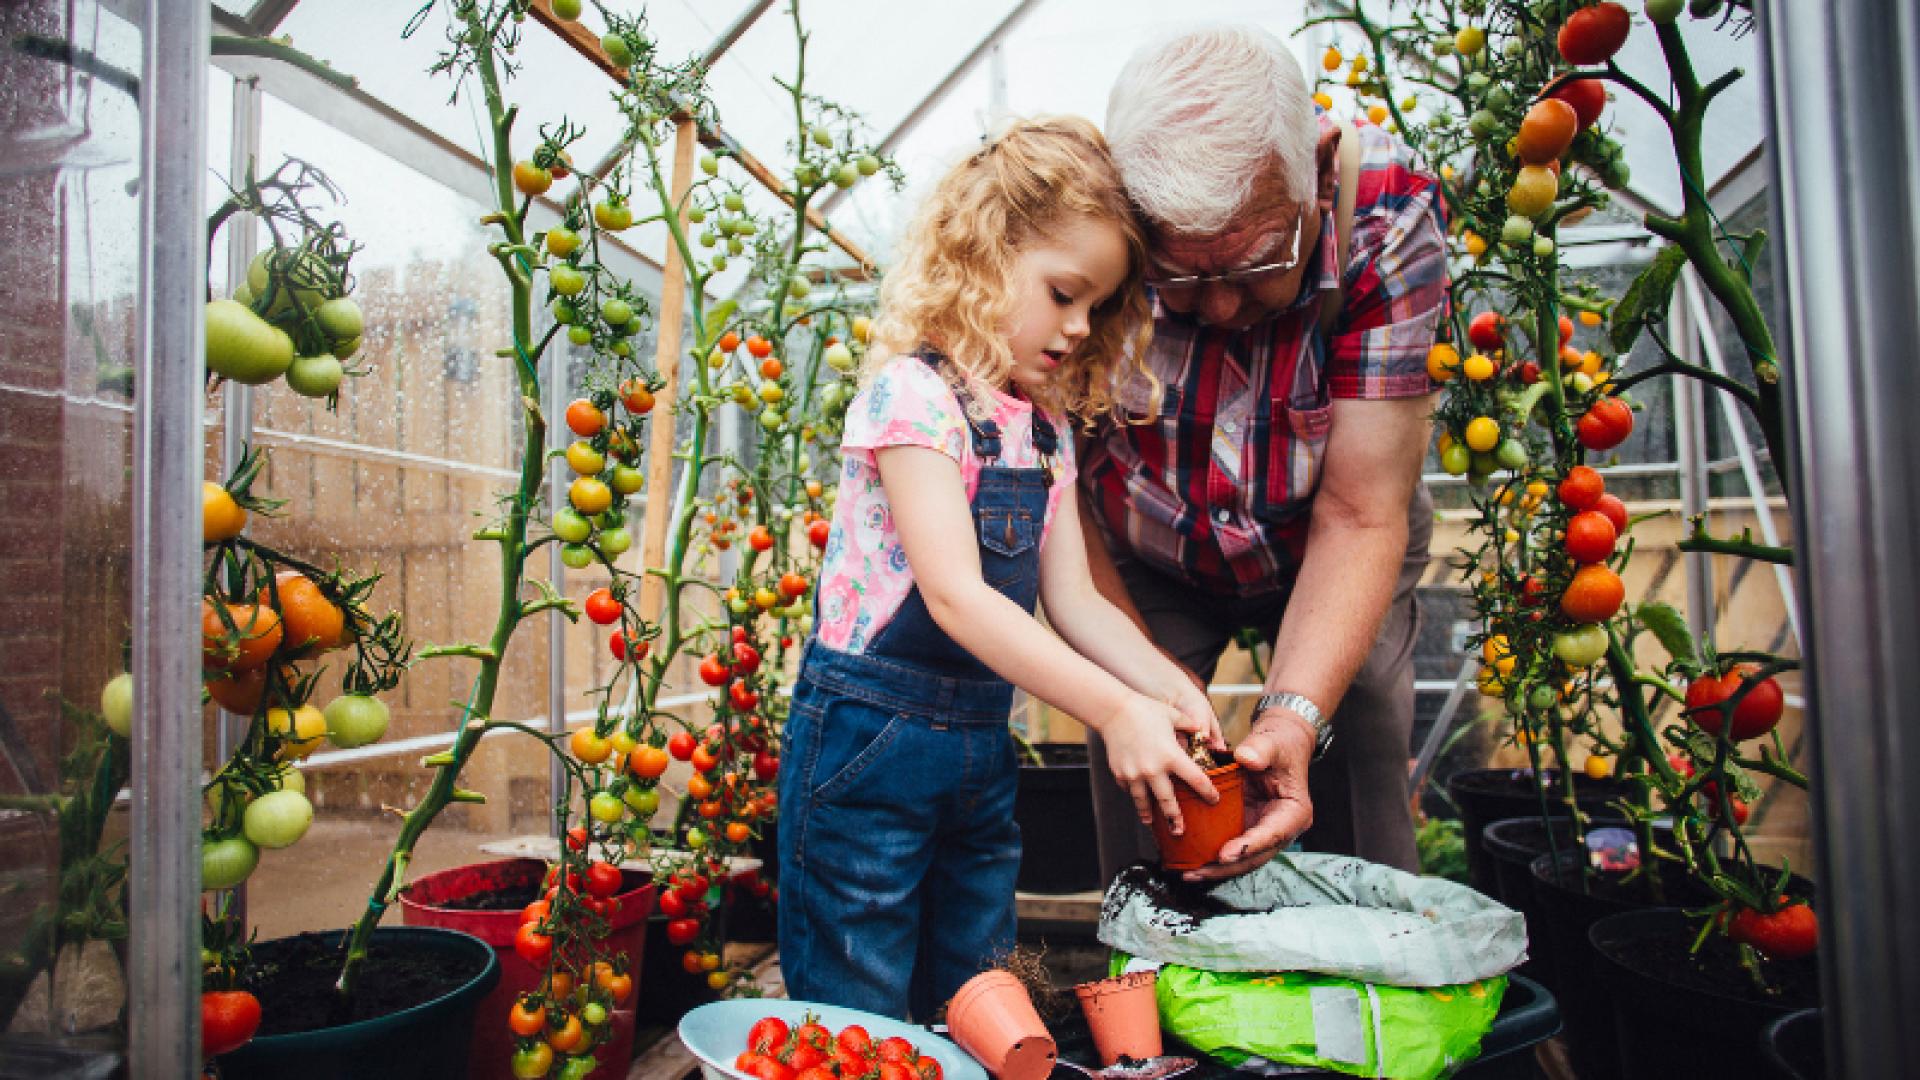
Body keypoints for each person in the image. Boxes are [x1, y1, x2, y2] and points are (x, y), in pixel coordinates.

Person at [778, 116, 1226, 1021]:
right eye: (1063, 293)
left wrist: (1169, 690)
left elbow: (1077, 602)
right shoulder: (915, 397)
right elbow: (954, 597)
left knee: (979, 990)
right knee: (858, 998)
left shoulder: (1044, 427)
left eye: (1096, 307)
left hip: (978, 751)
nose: (1078, 327)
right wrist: (1112, 709)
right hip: (870, 747)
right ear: (986, 255)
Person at [1079, 25, 1449, 883]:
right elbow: (1060, 496)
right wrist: (1140, 687)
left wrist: (1290, 715)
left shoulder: (1390, 215)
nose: (1216, 307)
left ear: (1317, 168)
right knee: (1146, 767)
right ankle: (1154, 981)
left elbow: (1362, 513)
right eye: (1179, 274)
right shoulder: (1085, 219)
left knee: (1358, 723)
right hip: (1148, 541)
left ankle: (1363, 973)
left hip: (1330, 526)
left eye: (1253, 263)